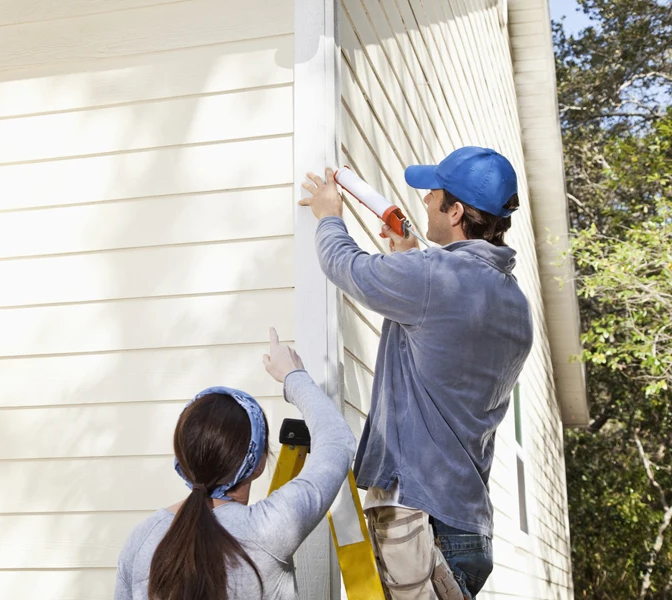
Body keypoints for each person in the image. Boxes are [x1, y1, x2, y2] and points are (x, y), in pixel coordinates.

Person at [300, 147, 534, 599]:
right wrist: (409, 254)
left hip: (418, 519)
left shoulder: (433, 277)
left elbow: (343, 265)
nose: (424, 200)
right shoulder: (515, 304)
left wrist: (329, 216)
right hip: (469, 526)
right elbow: (445, 341)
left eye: (433, 193)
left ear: (457, 211)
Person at [113, 328, 355, 600]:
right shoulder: (268, 529)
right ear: (258, 463)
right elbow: (336, 442)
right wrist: (292, 375)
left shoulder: (141, 540)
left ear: (183, 458)